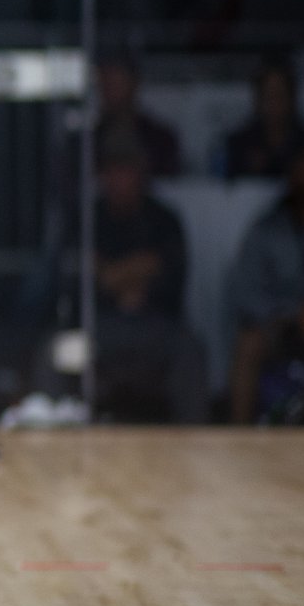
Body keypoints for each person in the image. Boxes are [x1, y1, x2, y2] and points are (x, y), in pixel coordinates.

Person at [91, 134, 205, 421]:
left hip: (155, 324)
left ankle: (194, 442)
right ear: (102, 174)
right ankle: (53, 441)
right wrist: (139, 267)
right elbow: (79, 279)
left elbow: (174, 281)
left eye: (127, 169)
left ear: (140, 172)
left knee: (190, 349)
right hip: (101, 326)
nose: (120, 178)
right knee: (55, 351)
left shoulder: (163, 219)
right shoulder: (88, 218)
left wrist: (113, 273)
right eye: (113, 170)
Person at [226, 138, 304, 423]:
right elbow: (244, 291)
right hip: (280, 327)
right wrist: (292, 314)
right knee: (248, 343)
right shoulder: (267, 228)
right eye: (303, 166)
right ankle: (240, 437)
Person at [95, 50, 181, 178]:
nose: (111, 93)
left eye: (117, 85)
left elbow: (169, 182)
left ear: (134, 85)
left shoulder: (161, 139)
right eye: (106, 86)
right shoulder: (88, 142)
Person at [221, 55, 304, 180]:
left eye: (279, 95)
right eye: (268, 96)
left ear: (292, 98)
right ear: (257, 99)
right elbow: (228, 189)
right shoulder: (239, 143)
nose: (274, 104)